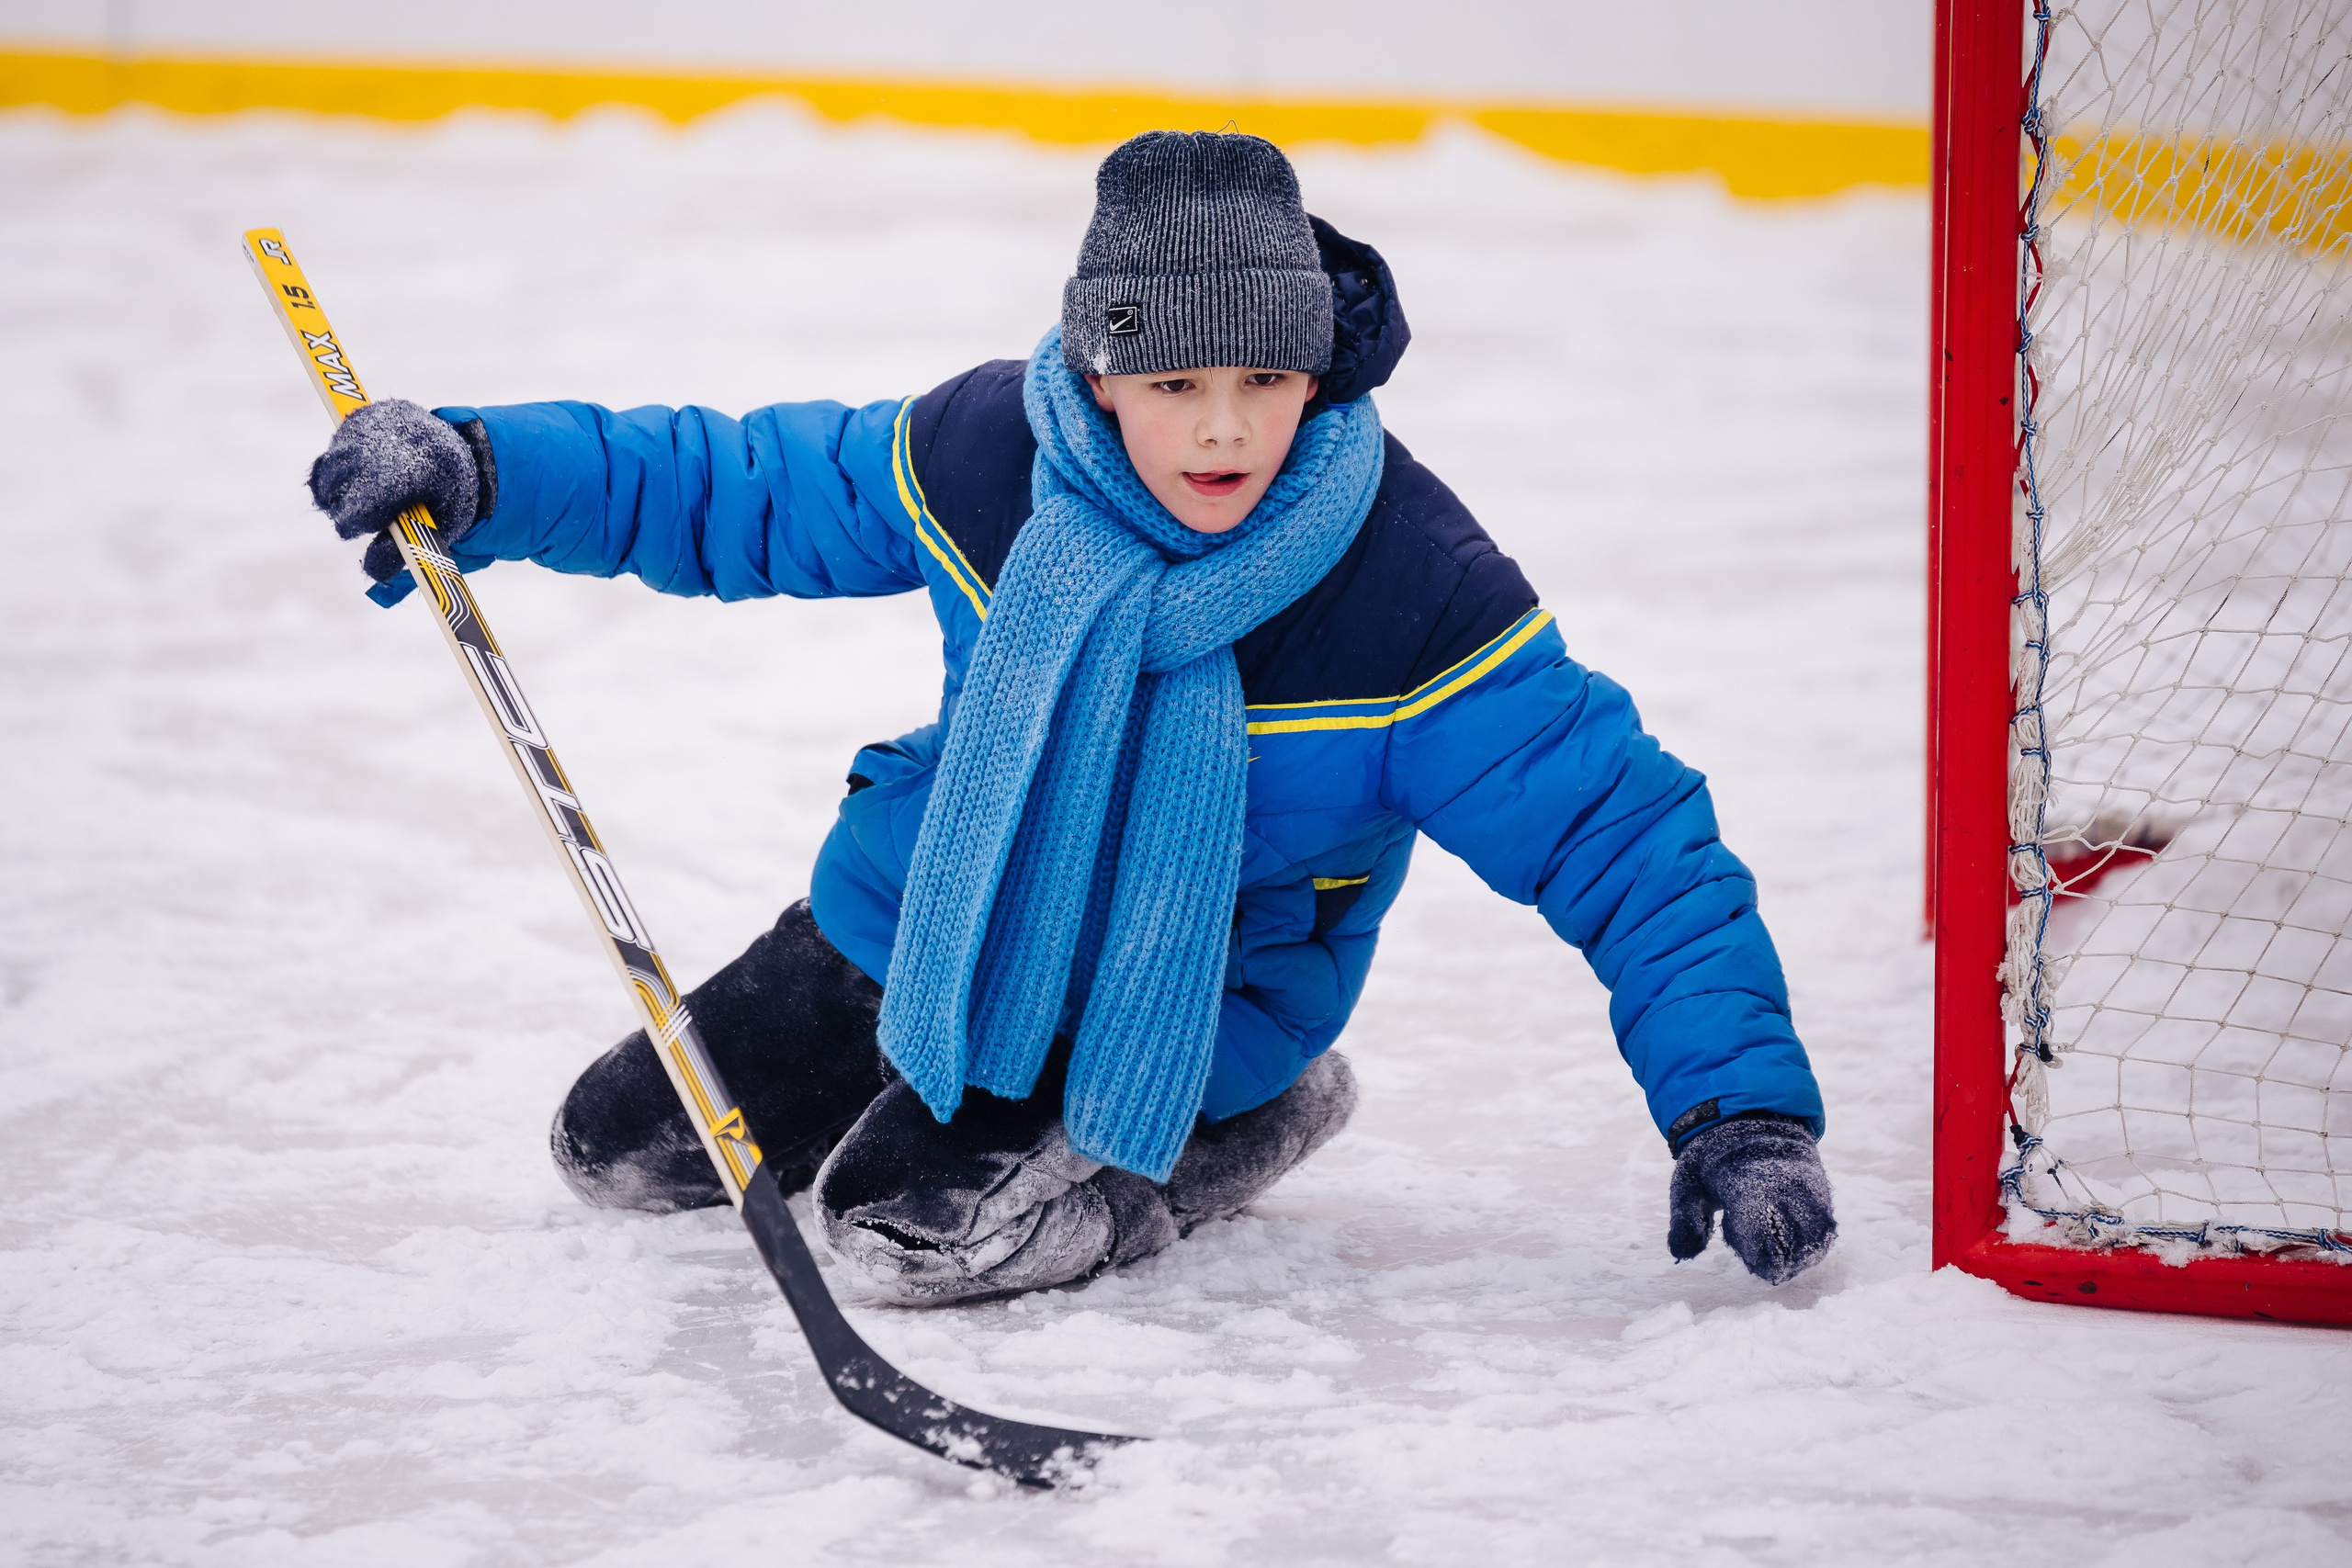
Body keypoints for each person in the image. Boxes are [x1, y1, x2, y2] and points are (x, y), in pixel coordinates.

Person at [306, 130, 1836, 1304]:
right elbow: (739, 485)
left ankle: (1241, 1125)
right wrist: (486, 468)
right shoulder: (986, 455)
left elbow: (1624, 837)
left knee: (897, 1235)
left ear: (1323, 365)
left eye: (1267, 376)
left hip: (1182, 999)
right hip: (922, 915)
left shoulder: (1409, 591)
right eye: (1174, 381)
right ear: (1100, 375)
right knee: (615, 1150)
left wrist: (1741, 1113)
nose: (1226, 427)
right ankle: (919, 1054)